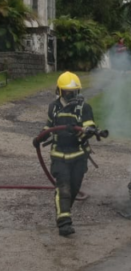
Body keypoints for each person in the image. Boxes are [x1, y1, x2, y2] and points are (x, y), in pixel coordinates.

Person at [40, 72, 98, 236]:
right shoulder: (54, 107)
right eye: (66, 91)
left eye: (72, 92)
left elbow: (88, 127)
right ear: (59, 91)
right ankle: (64, 223)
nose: (69, 95)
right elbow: (49, 126)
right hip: (59, 156)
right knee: (63, 188)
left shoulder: (84, 108)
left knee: (73, 188)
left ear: (78, 91)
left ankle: (64, 211)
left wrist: (82, 132)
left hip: (79, 156)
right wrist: (41, 136)